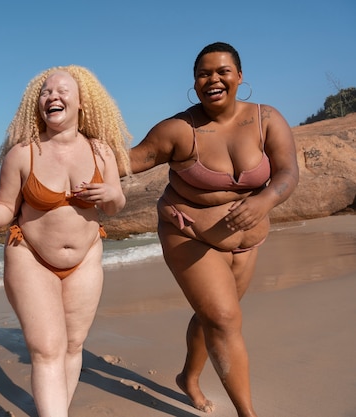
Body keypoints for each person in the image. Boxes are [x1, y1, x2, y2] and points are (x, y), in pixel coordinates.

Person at [127, 42, 299, 416]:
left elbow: (287, 172)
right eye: (204, 73)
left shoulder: (266, 119)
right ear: (195, 82)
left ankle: (188, 377)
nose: (213, 79)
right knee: (223, 318)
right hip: (189, 234)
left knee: (215, 316)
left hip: (246, 243)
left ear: (239, 76)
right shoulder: (178, 129)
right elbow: (127, 161)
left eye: (222, 71)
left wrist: (264, 200)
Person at [0, 65, 131, 417]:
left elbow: (114, 208)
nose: (52, 96)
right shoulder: (23, 153)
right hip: (31, 258)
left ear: (82, 102)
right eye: (45, 92)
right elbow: (7, 206)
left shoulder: (102, 152)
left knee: (73, 346)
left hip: (85, 259)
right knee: (47, 350)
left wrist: (112, 191)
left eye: (62, 90)